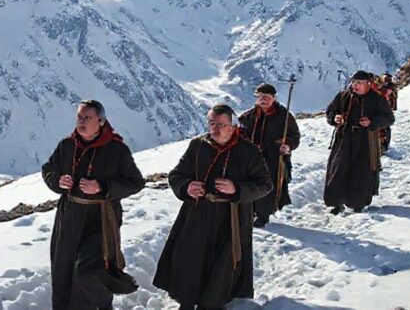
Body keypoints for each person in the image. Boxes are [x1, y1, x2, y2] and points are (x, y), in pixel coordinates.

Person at [153, 104, 272, 310]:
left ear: (232, 126)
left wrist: (237, 188)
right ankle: (187, 302)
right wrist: (187, 186)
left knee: (223, 265)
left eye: (221, 125)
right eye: (211, 123)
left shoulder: (248, 151)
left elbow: (265, 185)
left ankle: (213, 305)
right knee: (190, 259)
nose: (215, 129)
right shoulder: (198, 146)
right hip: (197, 213)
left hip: (231, 218)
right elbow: (177, 174)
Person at [42, 99, 145, 310]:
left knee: (89, 270)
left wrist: (103, 187)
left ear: (100, 121)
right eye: (79, 116)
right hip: (69, 216)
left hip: (101, 218)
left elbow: (136, 182)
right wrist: (58, 181)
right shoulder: (67, 145)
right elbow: (48, 169)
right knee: (64, 270)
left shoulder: (117, 149)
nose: (81, 121)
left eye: (87, 117)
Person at [325, 70, 395, 214]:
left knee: (361, 173)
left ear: (368, 84)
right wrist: (335, 118)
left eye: (359, 83)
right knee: (338, 170)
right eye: (354, 82)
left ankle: (358, 203)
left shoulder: (377, 99)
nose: (355, 86)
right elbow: (331, 111)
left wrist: (372, 122)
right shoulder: (343, 96)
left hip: (366, 141)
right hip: (344, 139)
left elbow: (389, 118)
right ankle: (336, 202)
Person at [238, 83, 300, 228]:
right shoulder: (249, 115)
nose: (263, 100)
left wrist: (288, 145)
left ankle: (263, 215)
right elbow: (239, 130)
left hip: (273, 157)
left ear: (274, 98)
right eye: (259, 97)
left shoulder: (284, 116)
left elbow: (294, 135)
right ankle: (250, 211)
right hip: (252, 158)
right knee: (250, 183)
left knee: (267, 185)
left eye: (266, 97)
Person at [378, 73, 398, 152]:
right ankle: (384, 145)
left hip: (384, 110)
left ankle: (384, 146)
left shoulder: (388, 88)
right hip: (386, 110)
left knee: (384, 128)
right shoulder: (391, 87)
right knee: (385, 128)